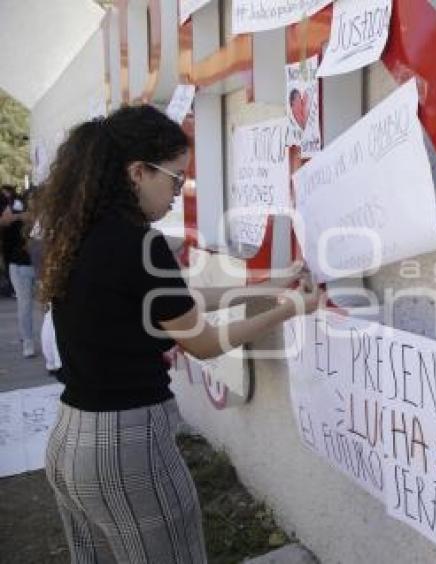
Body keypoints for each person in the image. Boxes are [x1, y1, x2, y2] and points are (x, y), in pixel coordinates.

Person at [33, 105, 321, 564]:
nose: (179, 192)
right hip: (125, 448)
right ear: (137, 172)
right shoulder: (137, 242)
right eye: (175, 177)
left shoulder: (81, 232)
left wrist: (269, 283)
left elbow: (175, 300)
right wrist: (289, 309)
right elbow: (202, 341)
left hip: (71, 439)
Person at [0, 184, 36, 356]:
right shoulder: (12, 206)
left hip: (38, 263)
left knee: (47, 306)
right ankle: (27, 341)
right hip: (19, 263)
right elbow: (4, 220)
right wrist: (17, 216)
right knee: (25, 304)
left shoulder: (37, 212)